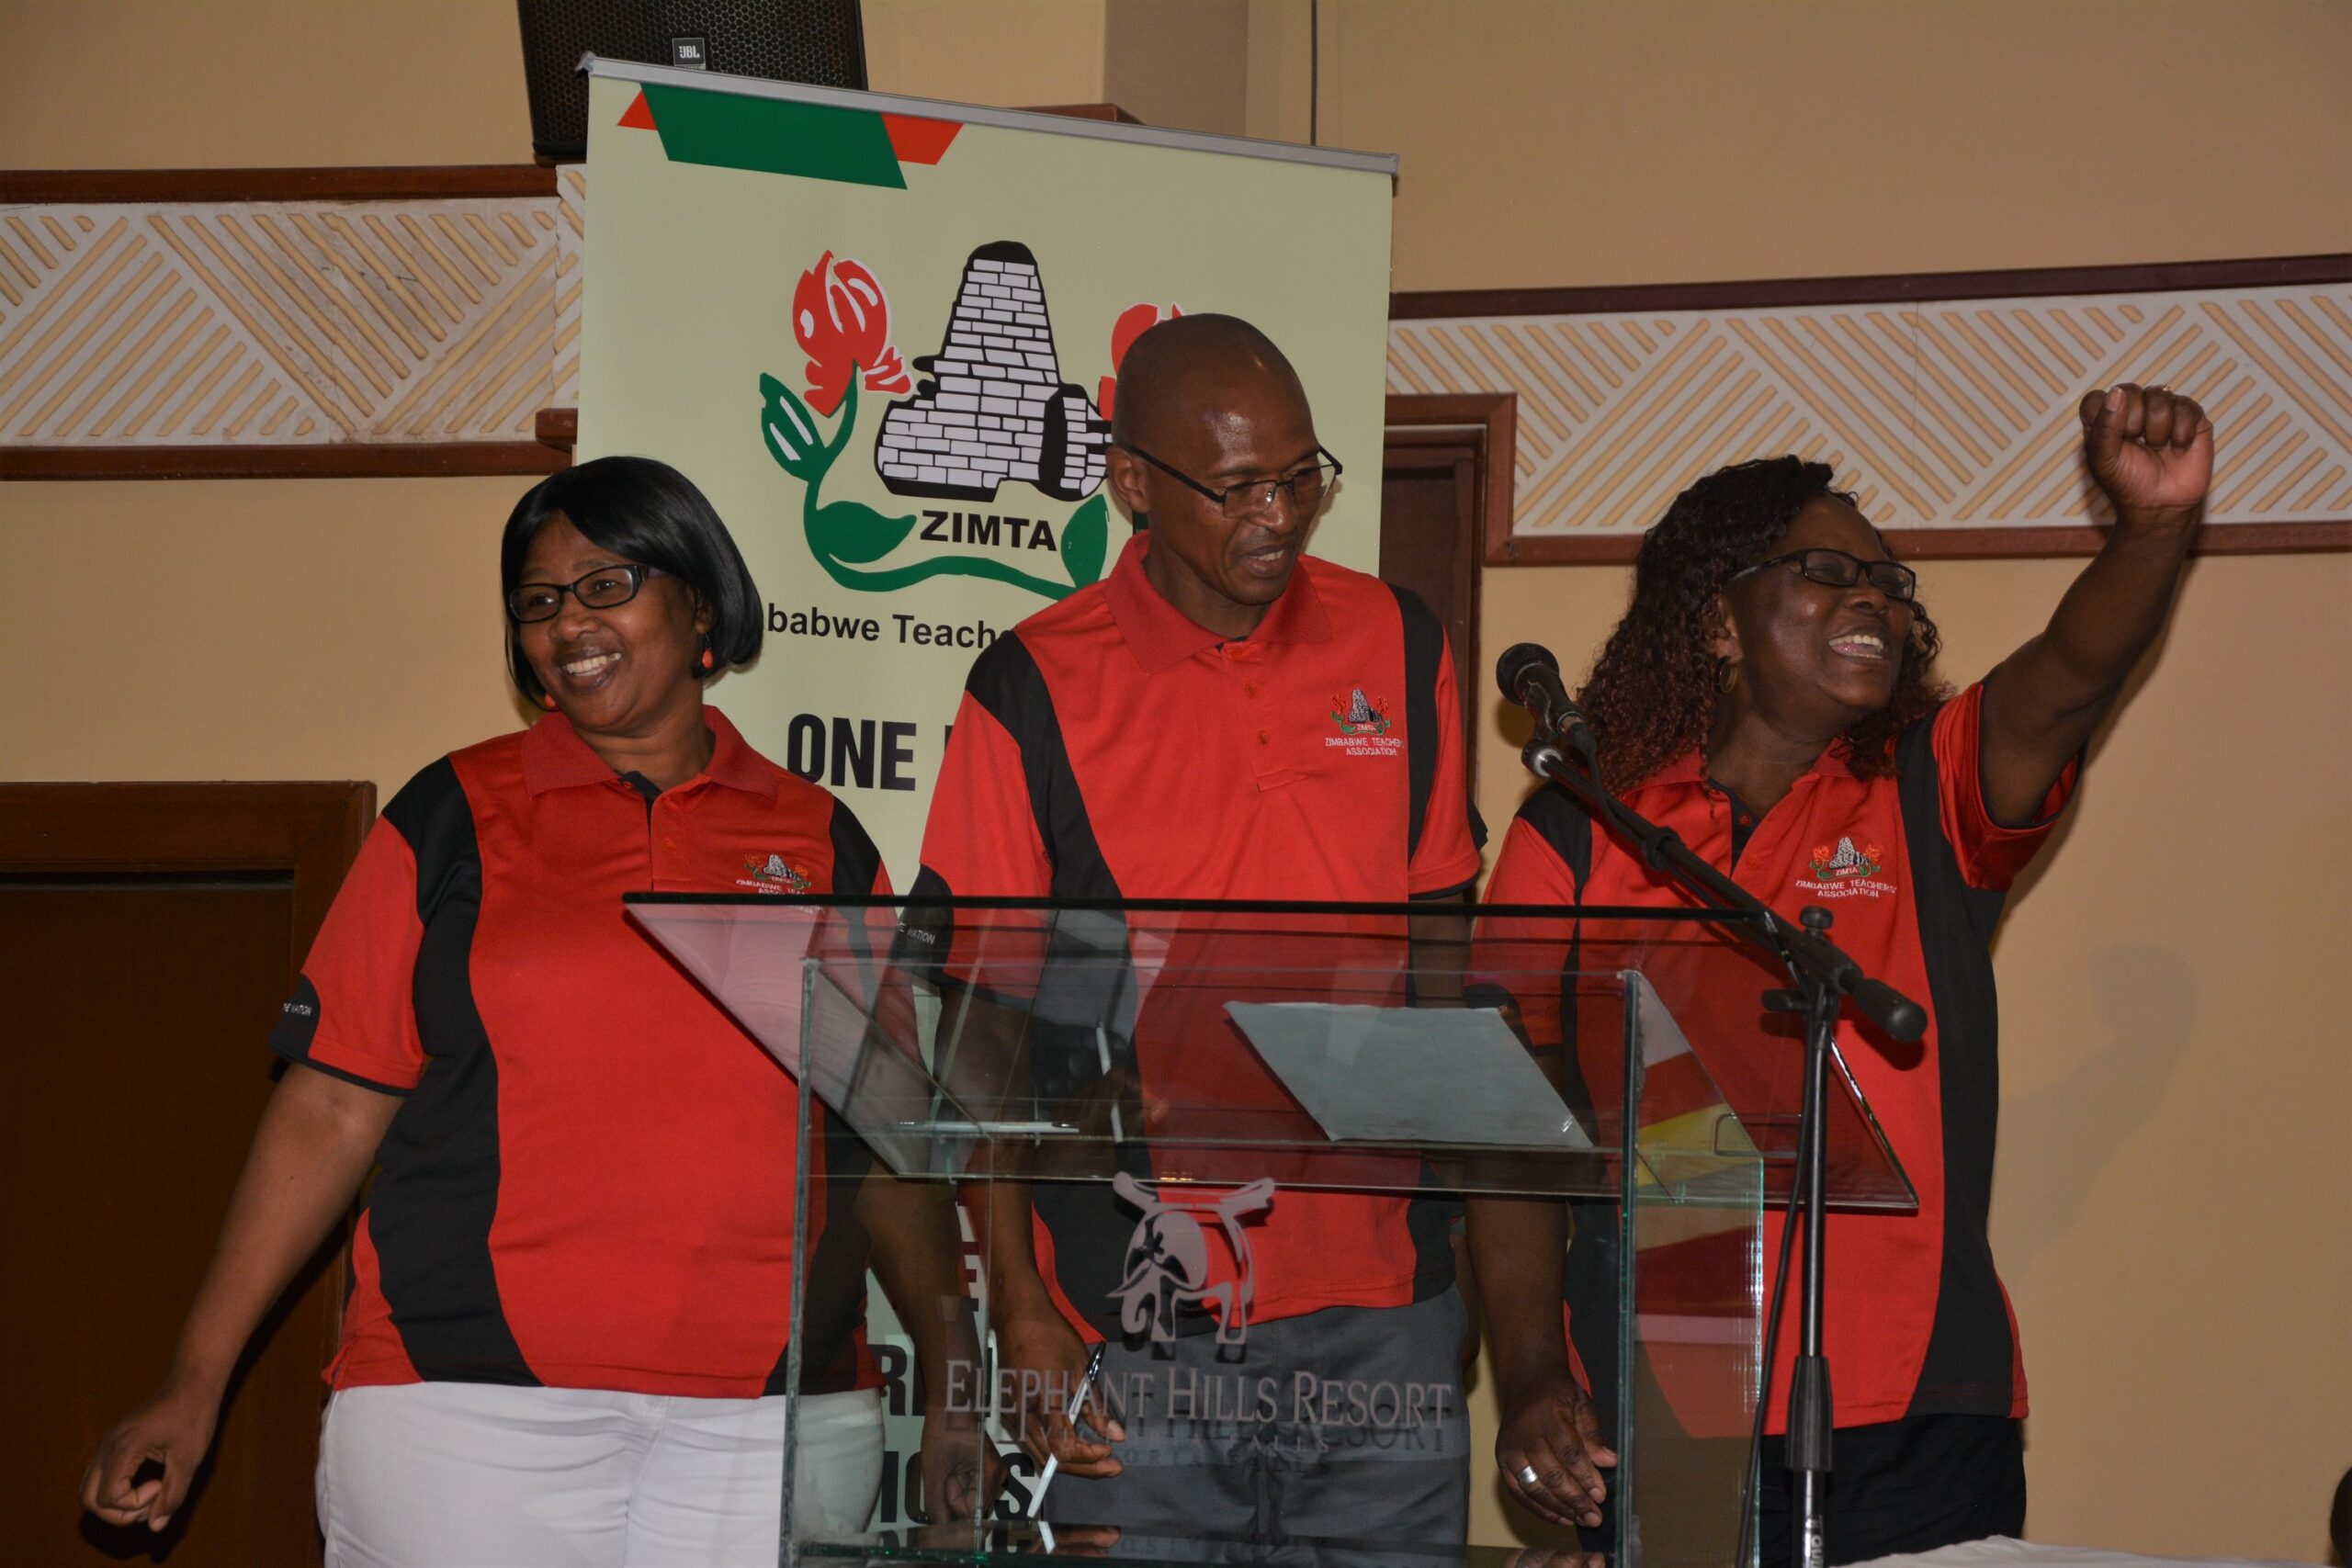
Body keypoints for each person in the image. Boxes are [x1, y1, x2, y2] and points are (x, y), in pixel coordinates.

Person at [80, 457, 981, 1566]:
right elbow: (328, 1111)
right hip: (464, 1411)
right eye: (539, 602)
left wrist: (956, 1389)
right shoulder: (450, 816)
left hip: (774, 1419)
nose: (569, 625)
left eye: (606, 585)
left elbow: (885, 1142)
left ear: (701, 602)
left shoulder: (820, 837)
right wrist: (195, 1380)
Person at [1471, 385, 2214, 1565]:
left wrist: (2153, 530)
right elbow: (1501, 1131)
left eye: (1887, 582)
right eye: (1825, 572)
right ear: (1719, 623)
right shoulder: (1581, 828)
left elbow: (2068, 677)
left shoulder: (1927, 790)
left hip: (1914, 1416)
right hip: (1665, 1406)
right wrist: (1526, 1378)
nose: (1873, 597)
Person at [909, 313, 1487, 1551]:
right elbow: (981, 1030)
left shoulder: (1400, 641)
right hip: (1136, 1303)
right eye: (1237, 488)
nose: (1279, 515)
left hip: (1385, 1298)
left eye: (1301, 477)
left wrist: (1469, 1246)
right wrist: (1016, 1299)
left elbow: (1441, 954)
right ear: (1132, 482)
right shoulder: (1031, 685)